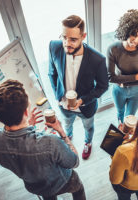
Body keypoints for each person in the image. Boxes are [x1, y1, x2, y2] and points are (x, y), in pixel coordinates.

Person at [0, 79, 86, 200]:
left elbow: (7, 152)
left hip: (35, 186)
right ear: (26, 112)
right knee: (78, 189)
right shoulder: (51, 143)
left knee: (48, 197)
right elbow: (74, 162)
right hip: (63, 181)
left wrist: (29, 127)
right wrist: (62, 132)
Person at [48, 15, 108, 159]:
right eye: (64, 37)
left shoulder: (97, 59)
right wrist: (57, 96)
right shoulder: (54, 47)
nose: (66, 43)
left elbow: (103, 86)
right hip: (63, 105)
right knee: (67, 124)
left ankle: (87, 143)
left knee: (88, 127)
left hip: (85, 107)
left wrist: (83, 100)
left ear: (83, 36)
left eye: (73, 39)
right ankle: (67, 136)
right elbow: (52, 73)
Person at [107, 9, 138, 123]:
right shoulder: (113, 49)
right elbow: (111, 77)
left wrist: (122, 81)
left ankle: (125, 134)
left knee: (130, 118)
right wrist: (137, 77)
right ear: (126, 30)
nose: (136, 40)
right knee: (120, 112)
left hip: (136, 92)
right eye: (134, 34)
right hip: (118, 91)